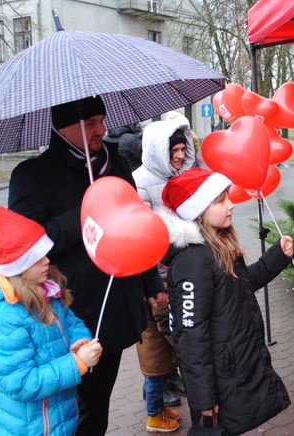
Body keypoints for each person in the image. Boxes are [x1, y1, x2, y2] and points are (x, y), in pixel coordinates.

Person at [8, 96, 164, 435]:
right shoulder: (32, 175)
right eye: (91, 123)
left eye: (102, 120)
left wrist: (151, 281)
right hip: (70, 313)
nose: (102, 129)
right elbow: (26, 243)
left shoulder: (116, 163)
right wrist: (86, 214)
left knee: (98, 401)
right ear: (65, 127)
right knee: (76, 409)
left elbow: (136, 223)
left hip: (117, 303)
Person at [157, 168, 294, 435]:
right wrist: (204, 402)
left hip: (233, 369)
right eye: (220, 201)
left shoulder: (216, 246)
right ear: (199, 210)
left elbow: (239, 287)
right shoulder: (192, 262)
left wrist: (277, 256)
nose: (231, 204)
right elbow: (190, 336)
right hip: (219, 379)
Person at [0, 205, 102, 435]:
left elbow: (71, 322)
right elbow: (21, 383)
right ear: (16, 267)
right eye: (36, 257)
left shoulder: (46, 292)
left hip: (57, 418)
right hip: (30, 428)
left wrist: (80, 340)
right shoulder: (5, 319)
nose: (46, 261)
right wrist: (77, 363)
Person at [132, 113, 198, 432]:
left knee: (174, 337)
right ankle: (155, 407)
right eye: (174, 153)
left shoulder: (179, 176)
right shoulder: (140, 182)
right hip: (156, 275)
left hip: (178, 267)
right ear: (160, 150)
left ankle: (161, 400)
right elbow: (144, 233)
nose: (180, 157)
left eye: (183, 151)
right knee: (159, 343)